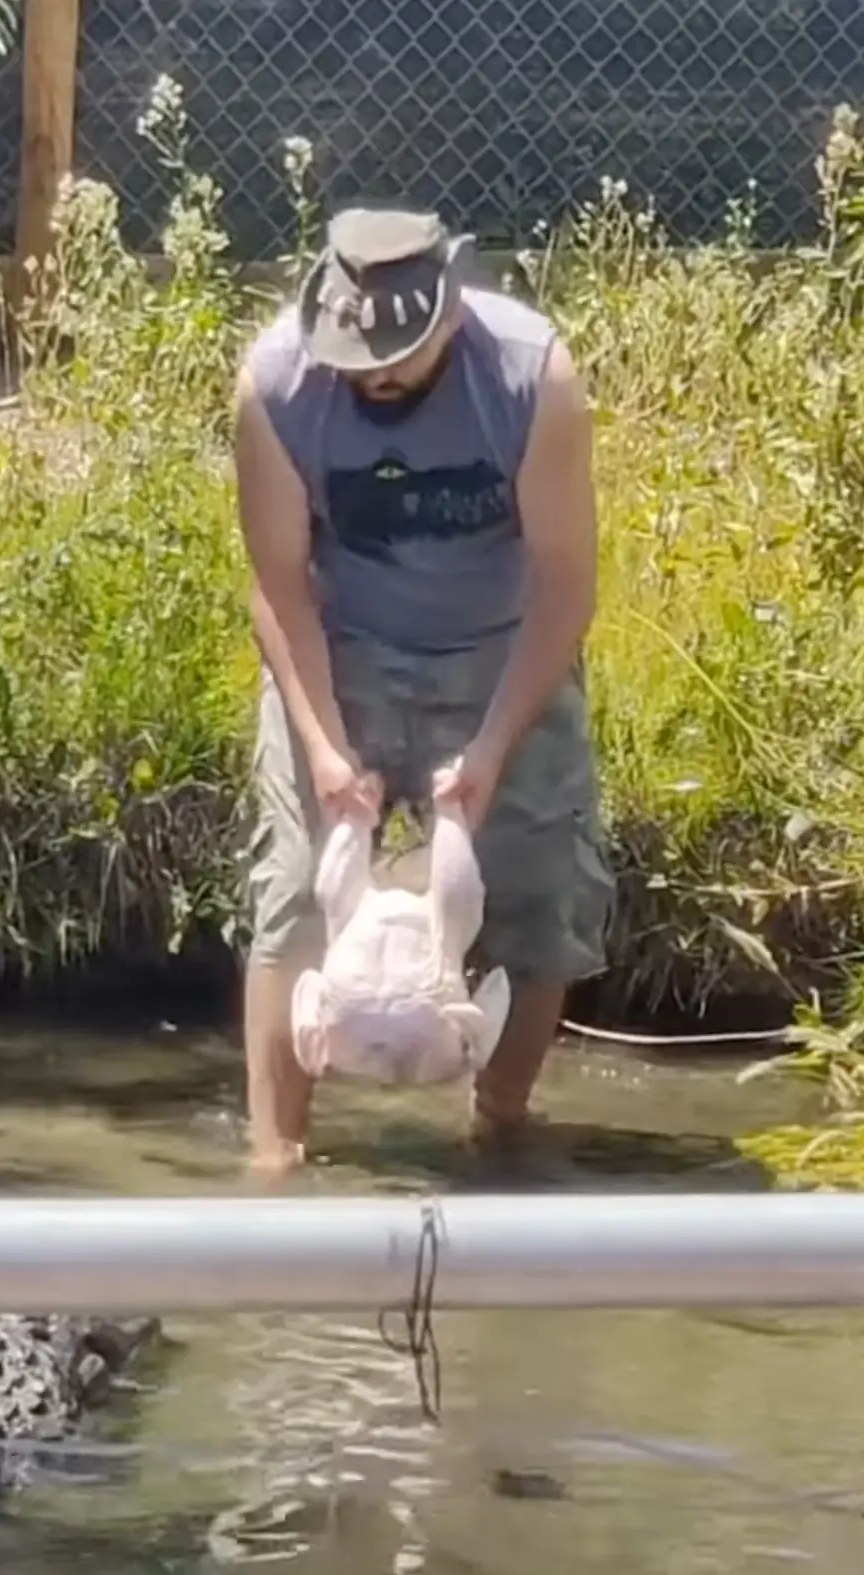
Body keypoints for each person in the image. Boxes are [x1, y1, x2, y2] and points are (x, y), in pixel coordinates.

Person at [228, 206, 612, 1178]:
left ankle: (499, 1124)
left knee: (540, 901)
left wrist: (488, 749)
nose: (373, 373)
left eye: (396, 352)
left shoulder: (531, 375)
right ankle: (274, 1163)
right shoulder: (274, 381)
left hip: (500, 647)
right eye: (356, 354)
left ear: (451, 312)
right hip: (340, 650)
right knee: (290, 901)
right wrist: (320, 746)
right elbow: (278, 585)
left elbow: (566, 586)